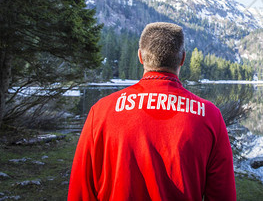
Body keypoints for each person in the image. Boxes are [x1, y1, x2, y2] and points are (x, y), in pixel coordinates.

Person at [68, 22, 236, 200]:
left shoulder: (101, 111)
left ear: (140, 56)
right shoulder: (209, 115)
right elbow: (222, 194)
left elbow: (81, 191)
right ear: (182, 59)